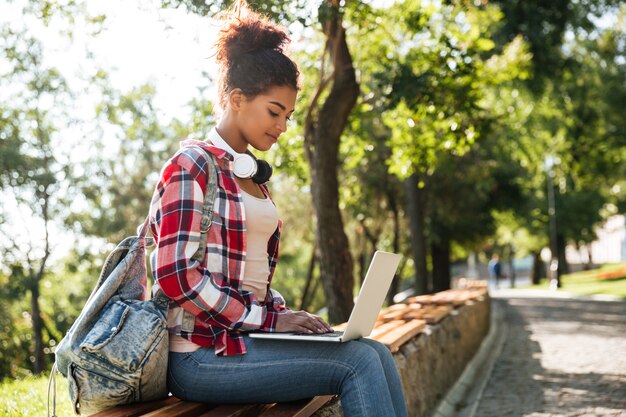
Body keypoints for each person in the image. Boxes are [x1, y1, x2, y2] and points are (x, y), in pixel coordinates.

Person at [147, 2, 409, 416]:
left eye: (287, 115)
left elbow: (246, 279)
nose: (283, 126)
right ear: (236, 99)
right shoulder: (191, 166)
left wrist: (286, 316)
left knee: (373, 350)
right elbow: (176, 275)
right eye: (274, 111)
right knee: (356, 364)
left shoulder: (253, 175)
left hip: (245, 340)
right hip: (199, 355)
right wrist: (268, 322)